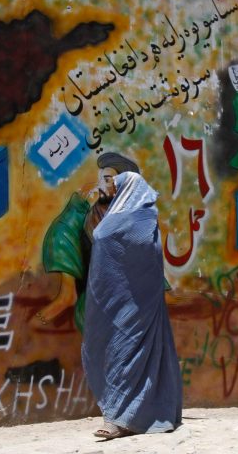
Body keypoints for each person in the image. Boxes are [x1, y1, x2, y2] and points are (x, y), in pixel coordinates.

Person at [84, 171, 182, 439]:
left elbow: (144, 255)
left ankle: (117, 420)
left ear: (129, 188)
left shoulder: (140, 218)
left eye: (117, 186)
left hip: (142, 303)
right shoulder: (130, 216)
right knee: (117, 353)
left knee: (129, 356)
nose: (113, 191)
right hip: (116, 302)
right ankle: (125, 416)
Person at [36, 152, 139, 330]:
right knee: (64, 227)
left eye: (107, 180)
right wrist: (76, 204)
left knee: (87, 317)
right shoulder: (94, 212)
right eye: (101, 179)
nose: (101, 185)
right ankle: (67, 294)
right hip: (87, 279)